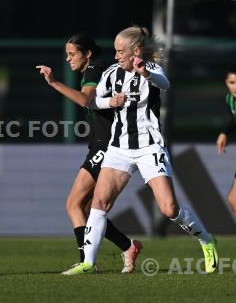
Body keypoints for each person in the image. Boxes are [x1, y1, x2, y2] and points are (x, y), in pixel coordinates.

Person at [65, 26, 219, 275]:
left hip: (149, 147)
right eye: (115, 52)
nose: (116, 57)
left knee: (169, 209)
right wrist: (110, 102)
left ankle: (206, 240)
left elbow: (165, 84)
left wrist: (145, 72)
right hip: (119, 148)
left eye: (120, 52)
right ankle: (88, 263)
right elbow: (93, 101)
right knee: (99, 203)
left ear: (135, 51)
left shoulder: (151, 69)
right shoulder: (112, 73)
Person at [36, 34, 142, 274]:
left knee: (74, 204)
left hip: (107, 145)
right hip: (102, 143)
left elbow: (85, 100)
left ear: (88, 54)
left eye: (72, 54)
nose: (68, 58)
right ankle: (127, 246)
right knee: (90, 209)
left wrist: (54, 82)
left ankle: (87, 262)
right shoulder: (99, 69)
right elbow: (101, 103)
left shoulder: (94, 69)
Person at [215, 64, 236, 213]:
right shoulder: (230, 99)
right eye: (232, 82)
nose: (235, 87)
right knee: (233, 200)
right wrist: (224, 133)